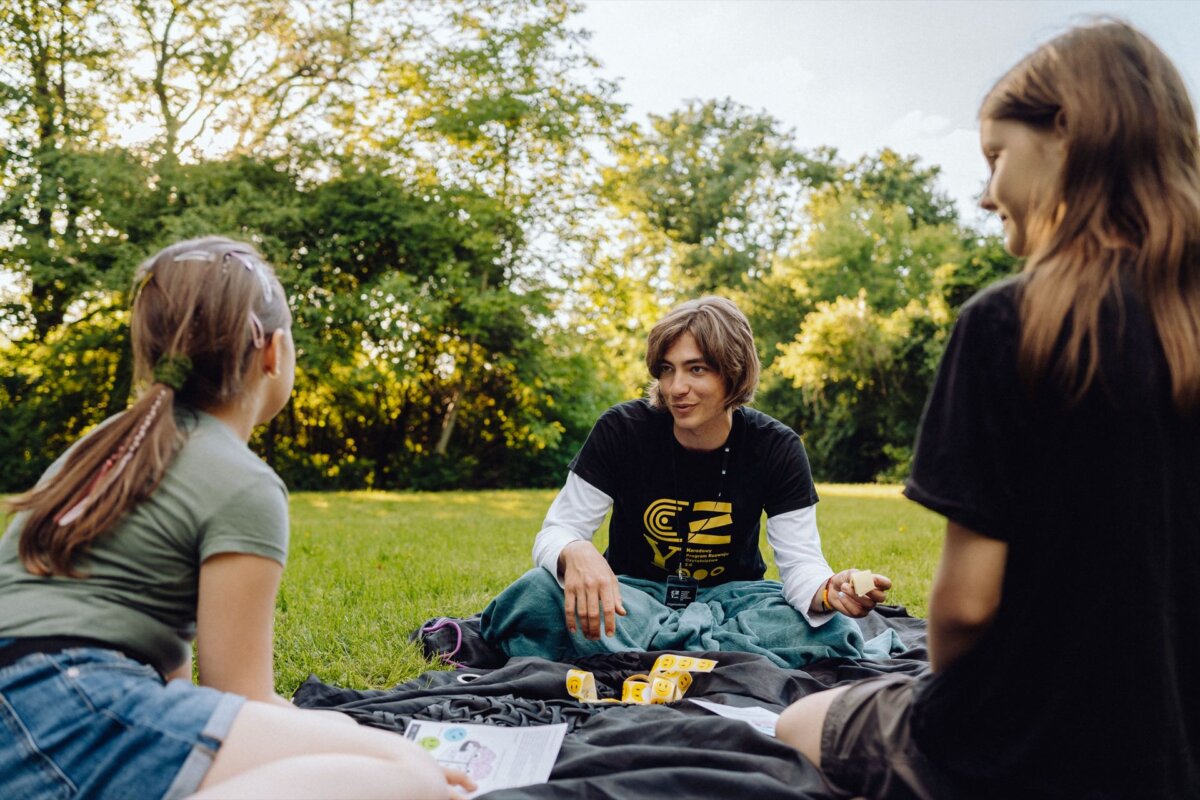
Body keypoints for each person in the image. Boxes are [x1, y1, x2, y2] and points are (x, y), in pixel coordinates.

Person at [775, 20, 1200, 799]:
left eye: (996, 157)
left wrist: (951, 713)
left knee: (793, 724)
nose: (985, 193)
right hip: (1173, 746)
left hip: (1021, 748)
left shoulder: (1012, 323)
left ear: (1070, 135)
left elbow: (966, 608)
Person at [0, 237, 471, 800]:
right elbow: (241, 694)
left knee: (346, 740)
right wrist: (363, 744)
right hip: (76, 709)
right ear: (273, 352)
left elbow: (180, 686)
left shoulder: (95, 448)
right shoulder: (243, 482)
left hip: (35, 713)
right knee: (412, 775)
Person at [481, 296, 895, 668]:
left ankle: (649, 653)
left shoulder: (777, 447)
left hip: (734, 601)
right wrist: (575, 550)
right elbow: (556, 531)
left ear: (733, 373)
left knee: (834, 628)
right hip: (631, 598)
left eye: (696, 369)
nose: (677, 388)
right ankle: (722, 657)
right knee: (535, 594)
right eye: (667, 370)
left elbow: (801, 565)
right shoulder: (621, 429)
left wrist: (828, 591)